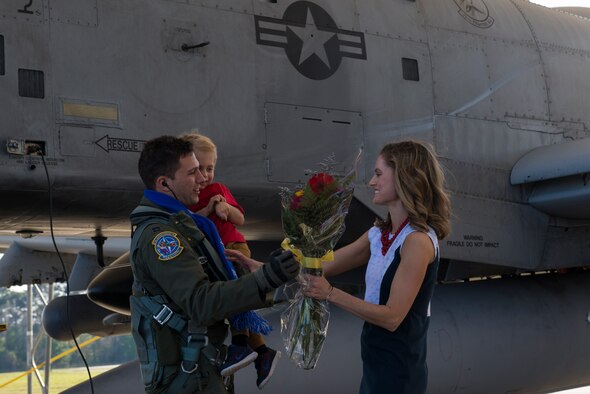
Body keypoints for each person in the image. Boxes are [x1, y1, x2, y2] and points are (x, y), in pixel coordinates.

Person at [129, 135, 300, 394]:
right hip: (187, 380)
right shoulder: (163, 237)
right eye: (192, 172)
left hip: (200, 373)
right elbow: (201, 302)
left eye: (203, 169)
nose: (202, 179)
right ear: (164, 184)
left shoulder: (183, 224)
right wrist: (263, 280)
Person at [303, 140, 451, 393]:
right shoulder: (380, 234)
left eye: (379, 174)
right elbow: (320, 266)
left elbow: (392, 317)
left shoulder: (417, 242)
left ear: (404, 177)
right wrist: (265, 270)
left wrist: (329, 293)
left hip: (399, 375)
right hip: (374, 366)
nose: (372, 182)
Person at [180, 132, 281, 389]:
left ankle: (239, 346)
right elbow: (194, 222)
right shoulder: (190, 199)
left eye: (210, 168)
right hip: (216, 253)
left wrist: (224, 208)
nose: (205, 176)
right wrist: (207, 210)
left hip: (234, 249)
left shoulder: (217, 189)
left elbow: (240, 219)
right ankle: (262, 352)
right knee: (238, 301)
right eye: (198, 169)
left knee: (236, 296)